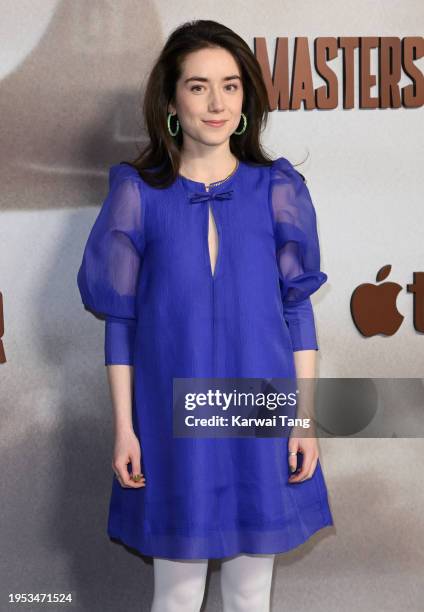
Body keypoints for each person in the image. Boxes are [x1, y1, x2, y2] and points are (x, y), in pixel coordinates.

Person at [77, 19, 334, 612]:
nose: (216, 103)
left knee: (249, 595)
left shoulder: (277, 188)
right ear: (171, 100)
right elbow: (122, 322)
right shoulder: (137, 194)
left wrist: (304, 419)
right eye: (197, 87)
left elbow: (298, 316)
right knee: (177, 594)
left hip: (260, 408)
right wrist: (125, 427)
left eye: (230, 85)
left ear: (247, 99)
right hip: (168, 417)